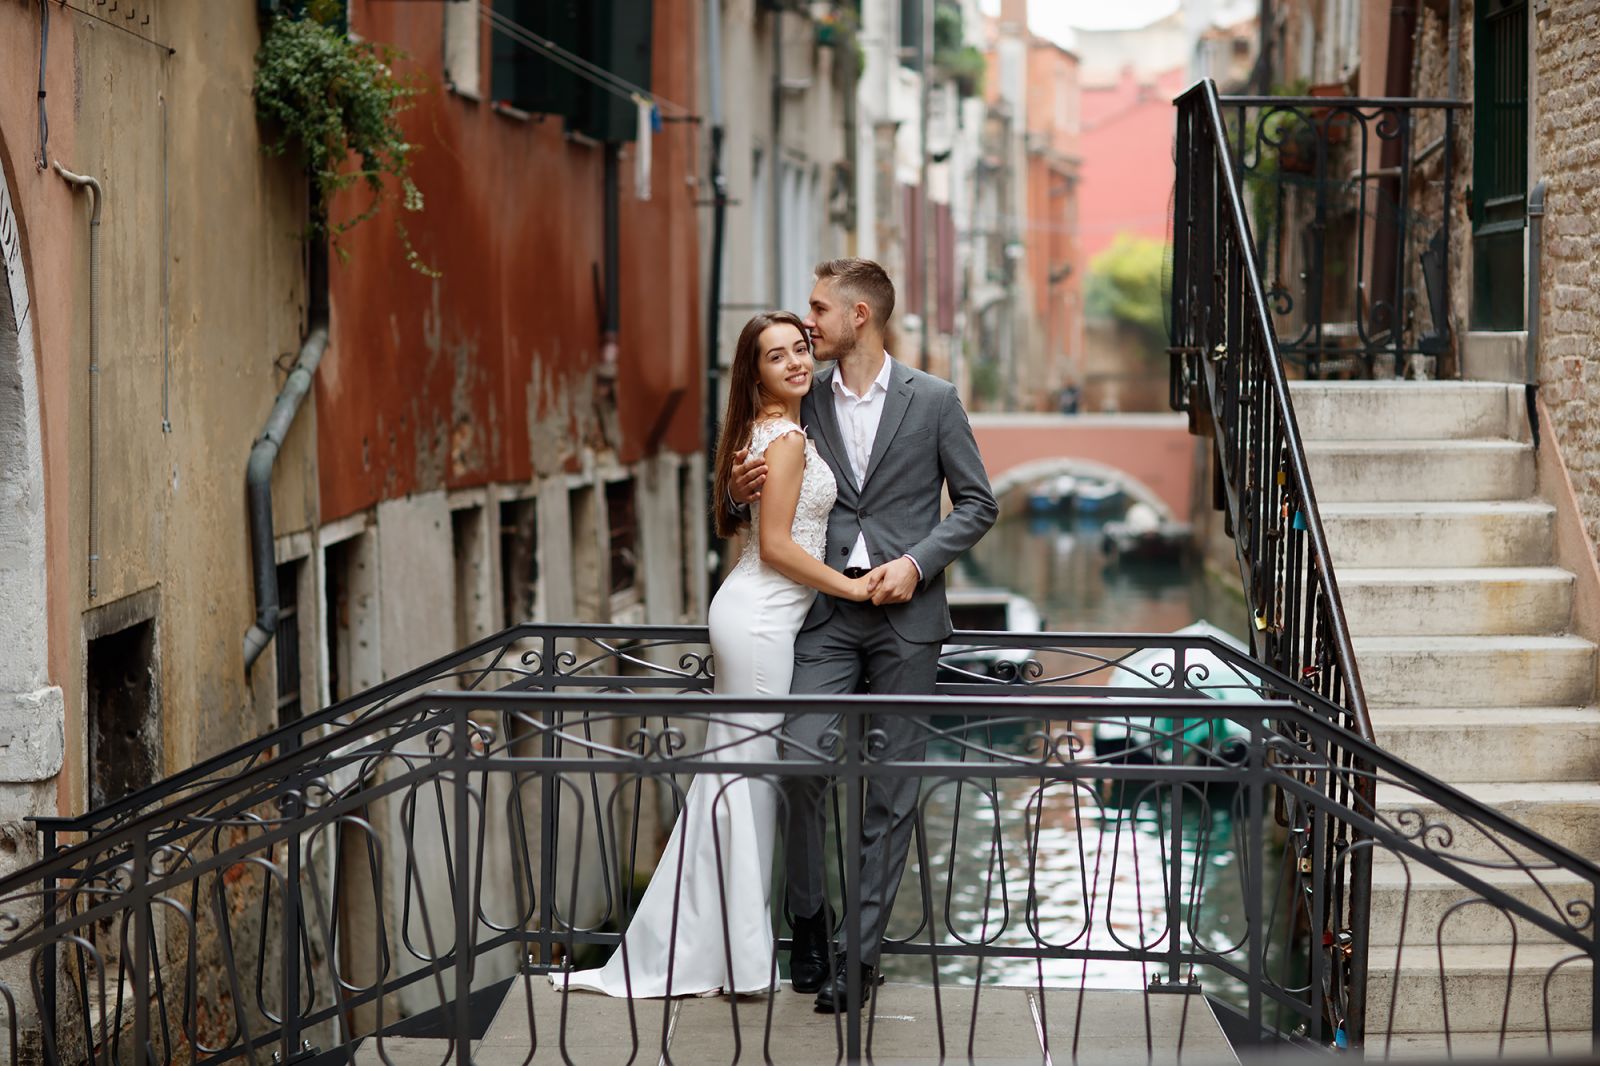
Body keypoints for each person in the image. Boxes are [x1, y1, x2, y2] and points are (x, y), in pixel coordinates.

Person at [554, 310, 880, 998]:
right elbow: (780, 547)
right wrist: (851, 588)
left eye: (800, 348)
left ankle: (718, 950)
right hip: (762, 617)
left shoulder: (767, 431)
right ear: (754, 374)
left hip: (758, 612)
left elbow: (754, 527)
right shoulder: (783, 437)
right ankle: (739, 959)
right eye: (775, 356)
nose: (795, 362)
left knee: (731, 782)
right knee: (747, 786)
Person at [728, 258, 998, 1012]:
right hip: (826, 614)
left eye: (819, 309)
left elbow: (978, 504)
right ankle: (809, 919)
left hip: (908, 619)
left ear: (859, 316)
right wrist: (738, 489)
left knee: (892, 787)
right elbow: (759, 488)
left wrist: (916, 563)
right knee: (799, 760)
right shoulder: (802, 397)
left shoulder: (934, 400)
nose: (807, 321)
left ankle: (858, 954)